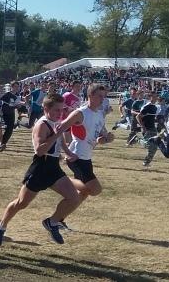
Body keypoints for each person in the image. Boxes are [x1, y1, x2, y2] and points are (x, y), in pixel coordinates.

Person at [0, 93, 81, 246]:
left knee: (74, 198)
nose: (60, 114)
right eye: (57, 110)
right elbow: (40, 150)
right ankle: (1, 226)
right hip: (40, 167)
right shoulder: (42, 124)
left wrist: (69, 153)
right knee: (21, 203)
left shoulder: (56, 122)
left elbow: (60, 142)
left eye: (62, 110)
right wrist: (57, 134)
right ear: (46, 109)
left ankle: (52, 222)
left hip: (53, 168)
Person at [54, 83, 114, 228]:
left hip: (87, 157)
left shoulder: (99, 114)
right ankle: (56, 179)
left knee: (84, 192)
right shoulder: (80, 113)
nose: (102, 99)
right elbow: (59, 129)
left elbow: (101, 135)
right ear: (90, 96)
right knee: (95, 189)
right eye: (99, 96)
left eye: (103, 96)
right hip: (76, 156)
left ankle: (57, 220)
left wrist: (107, 138)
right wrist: (65, 151)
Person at [139, 92, 163, 168]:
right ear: (150, 97)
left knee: (154, 147)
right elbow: (138, 117)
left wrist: (159, 121)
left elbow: (152, 118)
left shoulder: (155, 107)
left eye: (156, 97)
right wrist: (143, 127)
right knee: (148, 145)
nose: (156, 98)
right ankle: (137, 139)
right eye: (154, 97)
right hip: (147, 129)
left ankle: (146, 162)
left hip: (153, 128)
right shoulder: (147, 106)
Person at [0, 83, 20, 151]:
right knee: (6, 128)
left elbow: (14, 105)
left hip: (11, 113)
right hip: (5, 112)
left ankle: (3, 143)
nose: (16, 88)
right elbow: (0, 100)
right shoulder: (8, 94)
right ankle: (1, 143)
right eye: (15, 86)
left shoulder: (17, 95)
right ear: (12, 87)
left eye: (17, 87)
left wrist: (19, 106)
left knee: (10, 129)